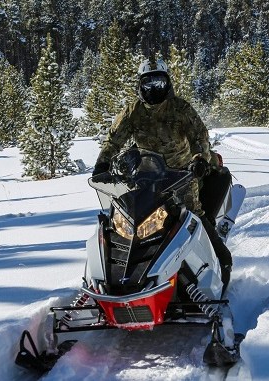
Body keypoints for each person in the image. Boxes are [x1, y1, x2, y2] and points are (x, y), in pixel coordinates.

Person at [92, 57, 233, 291]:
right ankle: (133, 273)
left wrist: (199, 159)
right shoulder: (132, 111)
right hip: (145, 176)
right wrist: (103, 164)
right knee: (134, 222)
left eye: (158, 83)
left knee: (193, 218)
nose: (153, 89)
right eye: (148, 83)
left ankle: (222, 260)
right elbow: (113, 140)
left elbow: (200, 137)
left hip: (182, 175)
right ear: (140, 85)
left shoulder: (180, 108)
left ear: (167, 83)